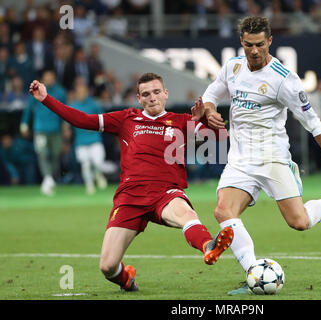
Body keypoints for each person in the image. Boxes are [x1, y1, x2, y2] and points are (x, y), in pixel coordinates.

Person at [193, 16, 321, 295]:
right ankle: (254, 274)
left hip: (272, 158)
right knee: (223, 211)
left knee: (298, 222)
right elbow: (211, 93)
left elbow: (312, 122)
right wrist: (210, 110)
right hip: (240, 160)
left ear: (270, 42)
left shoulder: (284, 79)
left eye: (260, 45)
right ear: (241, 42)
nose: (254, 51)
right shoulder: (232, 67)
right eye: (249, 45)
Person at [28, 72, 233, 292]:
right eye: (146, 94)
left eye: (156, 92)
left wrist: (204, 118)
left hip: (165, 193)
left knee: (186, 214)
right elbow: (82, 120)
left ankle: (209, 245)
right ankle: (126, 279)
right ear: (139, 98)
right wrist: (46, 99)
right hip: (130, 198)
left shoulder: (182, 121)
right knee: (107, 266)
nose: (152, 97)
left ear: (165, 94)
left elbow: (221, 137)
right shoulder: (126, 118)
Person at [20, 69, 67, 196]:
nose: (49, 79)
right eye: (47, 76)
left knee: (56, 155)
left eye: (51, 76)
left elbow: (66, 110)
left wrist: (66, 127)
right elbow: (29, 109)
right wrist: (24, 124)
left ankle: (49, 178)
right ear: (43, 78)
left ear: (54, 78)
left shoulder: (61, 92)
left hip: (55, 130)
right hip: (40, 129)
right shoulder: (37, 90)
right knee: (42, 154)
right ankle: (47, 178)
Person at [70, 82, 108, 195]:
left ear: (87, 93)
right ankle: (89, 185)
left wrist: (94, 126)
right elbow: (68, 121)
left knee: (98, 162)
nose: (81, 94)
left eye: (83, 92)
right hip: (81, 141)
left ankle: (98, 175)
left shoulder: (94, 104)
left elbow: (103, 119)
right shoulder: (73, 106)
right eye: (79, 92)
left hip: (94, 139)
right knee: (85, 165)